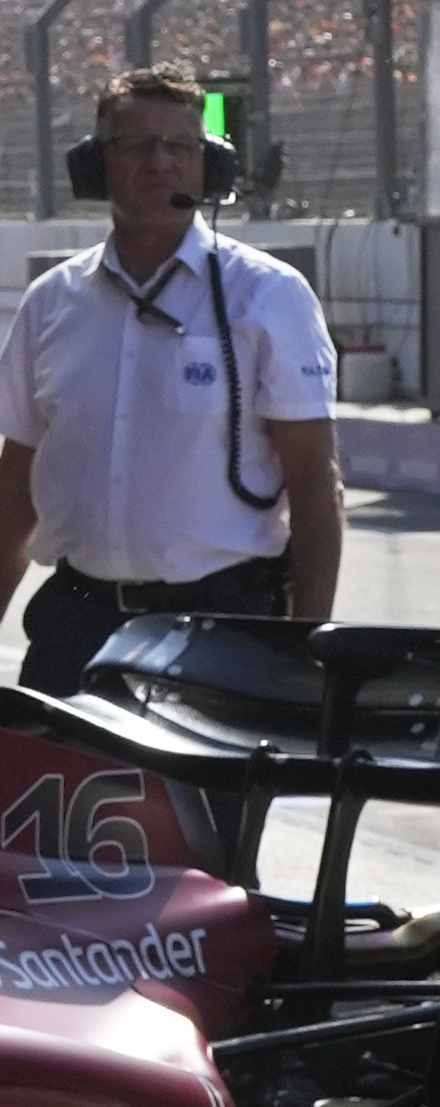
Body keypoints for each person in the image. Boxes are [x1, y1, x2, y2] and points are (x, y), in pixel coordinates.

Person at [0, 67, 345, 693]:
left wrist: (303, 654)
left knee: (201, 799)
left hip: (222, 632)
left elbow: (315, 489)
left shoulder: (268, 296)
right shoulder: (52, 303)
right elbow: (13, 490)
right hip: (76, 625)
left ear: (207, 167)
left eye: (179, 147)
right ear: (93, 166)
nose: (159, 162)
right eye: (135, 146)